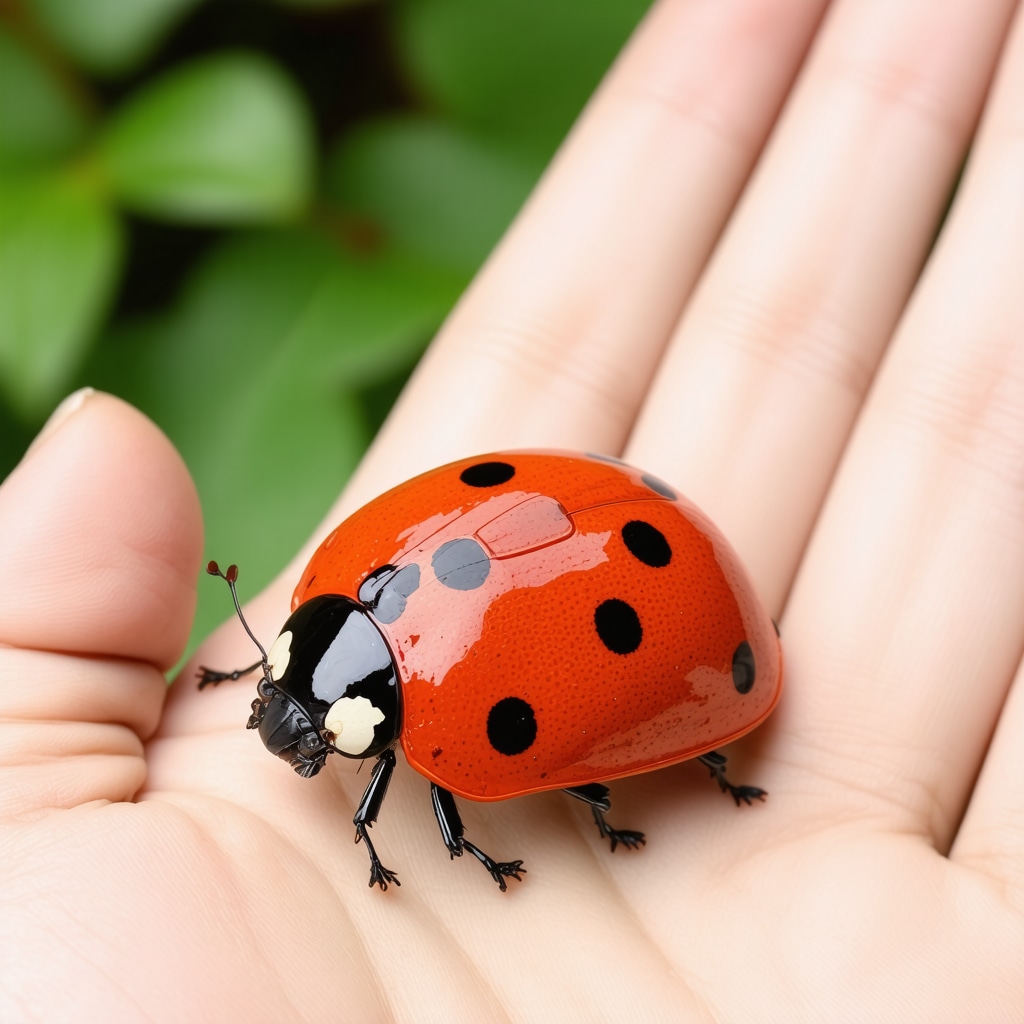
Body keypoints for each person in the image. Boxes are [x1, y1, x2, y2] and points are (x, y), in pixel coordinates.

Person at [3, 0, 1024, 1019]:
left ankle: (700, 756)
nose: (288, 720)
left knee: (523, 752)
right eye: (291, 691)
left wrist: (442, 848)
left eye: (291, 695)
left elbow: (499, 754)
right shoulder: (347, 591)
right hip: (618, 519)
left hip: (642, 546)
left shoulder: (410, 690)